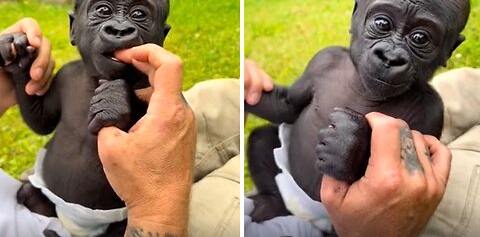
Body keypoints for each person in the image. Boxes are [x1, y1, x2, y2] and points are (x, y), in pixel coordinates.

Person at [0, 19, 240, 237]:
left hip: (87, 203)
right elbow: (42, 122)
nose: (120, 26)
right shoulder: (69, 76)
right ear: (74, 28)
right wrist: (153, 214)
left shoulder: (135, 88)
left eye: (138, 15)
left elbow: (41, 123)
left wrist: (14, 80)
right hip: (121, 217)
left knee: (225, 98)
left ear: (161, 36)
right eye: (103, 11)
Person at [244, 59, 457, 236]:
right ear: (357, 15)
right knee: (262, 141)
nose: (390, 51)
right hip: (302, 187)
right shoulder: (330, 63)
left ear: (448, 50)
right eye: (381, 24)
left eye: (420, 39)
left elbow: (287, 105)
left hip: (348, 210)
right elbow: (287, 105)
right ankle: (274, 197)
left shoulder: (426, 109)